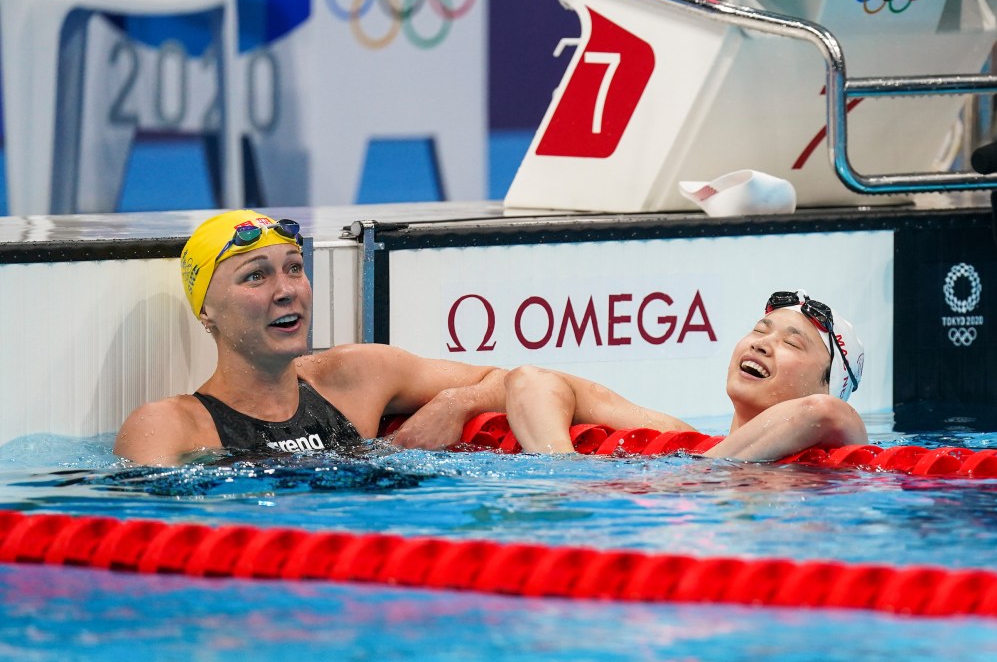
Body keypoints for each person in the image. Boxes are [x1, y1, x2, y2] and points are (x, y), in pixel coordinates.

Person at [114, 210, 506, 466]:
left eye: (295, 268)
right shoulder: (170, 426)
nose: (287, 291)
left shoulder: (356, 376)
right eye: (255, 275)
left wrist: (457, 403)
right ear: (206, 311)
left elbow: (509, 380)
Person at [504, 290, 868, 461]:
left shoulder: (840, 443)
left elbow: (822, 412)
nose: (762, 345)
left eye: (792, 342)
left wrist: (699, 477)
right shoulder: (681, 440)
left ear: (829, 383)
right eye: (760, 330)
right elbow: (532, 380)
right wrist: (562, 473)